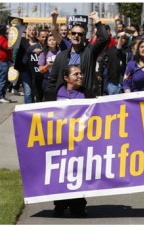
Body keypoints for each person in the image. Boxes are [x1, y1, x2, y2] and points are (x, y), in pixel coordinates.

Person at [44, 11, 109, 101]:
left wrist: (97, 20)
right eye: (74, 33)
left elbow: (105, 39)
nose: (76, 36)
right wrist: (48, 102)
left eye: (80, 34)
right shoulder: (62, 55)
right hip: (64, 98)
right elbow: (52, 81)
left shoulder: (90, 52)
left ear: (84, 36)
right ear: (70, 35)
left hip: (84, 98)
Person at [53, 64, 91, 217]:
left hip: (79, 141)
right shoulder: (54, 93)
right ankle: (60, 205)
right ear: (66, 78)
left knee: (77, 172)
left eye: (81, 74)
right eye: (76, 74)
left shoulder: (87, 94)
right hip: (59, 140)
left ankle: (78, 206)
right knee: (60, 172)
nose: (80, 76)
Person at [14, 23, 38, 103]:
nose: (32, 32)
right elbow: (13, 42)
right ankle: (28, 110)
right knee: (28, 91)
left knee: (35, 91)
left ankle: (34, 108)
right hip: (25, 69)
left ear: (36, 31)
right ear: (27, 31)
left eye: (33, 30)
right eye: (30, 30)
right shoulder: (23, 41)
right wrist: (15, 28)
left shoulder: (39, 43)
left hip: (36, 70)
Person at [38, 34, 61, 98]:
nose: (52, 42)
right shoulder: (44, 53)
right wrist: (47, 66)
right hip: (48, 80)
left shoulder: (60, 52)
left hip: (58, 80)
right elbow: (40, 70)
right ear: (47, 42)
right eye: (49, 40)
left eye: (53, 40)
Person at [0, 24, 12, 103]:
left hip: (5, 61)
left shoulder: (3, 37)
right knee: (2, 80)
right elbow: (7, 46)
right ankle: (1, 96)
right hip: (2, 62)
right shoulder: (1, 37)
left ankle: (2, 95)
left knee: (3, 79)